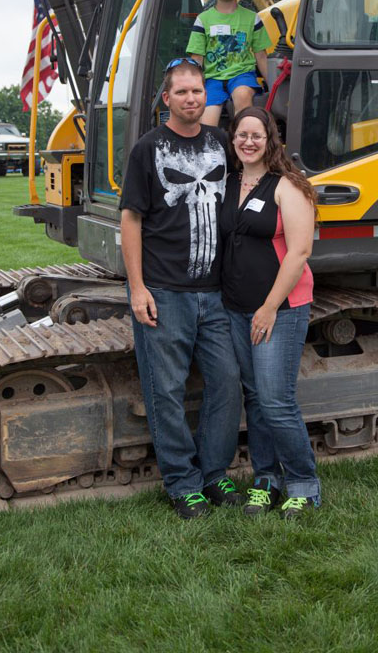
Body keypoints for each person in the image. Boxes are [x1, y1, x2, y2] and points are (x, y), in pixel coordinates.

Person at [120, 57, 243, 519]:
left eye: (198, 91)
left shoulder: (220, 143)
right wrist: (137, 288)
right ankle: (182, 483)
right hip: (164, 290)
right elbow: (131, 219)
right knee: (166, 389)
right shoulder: (147, 149)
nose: (191, 98)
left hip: (215, 292)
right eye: (183, 92)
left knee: (227, 382)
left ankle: (213, 474)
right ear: (167, 98)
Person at [220, 105, 321, 519]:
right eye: (242, 135)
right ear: (233, 139)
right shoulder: (229, 183)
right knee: (256, 400)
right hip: (236, 308)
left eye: (256, 135)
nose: (249, 142)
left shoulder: (287, 186)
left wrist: (268, 307)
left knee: (276, 401)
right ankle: (266, 480)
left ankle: (303, 484)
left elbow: (299, 252)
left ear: (269, 140)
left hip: (280, 309)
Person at [187, 0, 270, 126]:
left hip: (242, 76)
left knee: (242, 95)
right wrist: (194, 89)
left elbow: (261, 57)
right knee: (207, 121)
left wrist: (275, 87)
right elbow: (197, 60)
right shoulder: (203, 20)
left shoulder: (252, 18)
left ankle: (243, 137)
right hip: (212, 80)